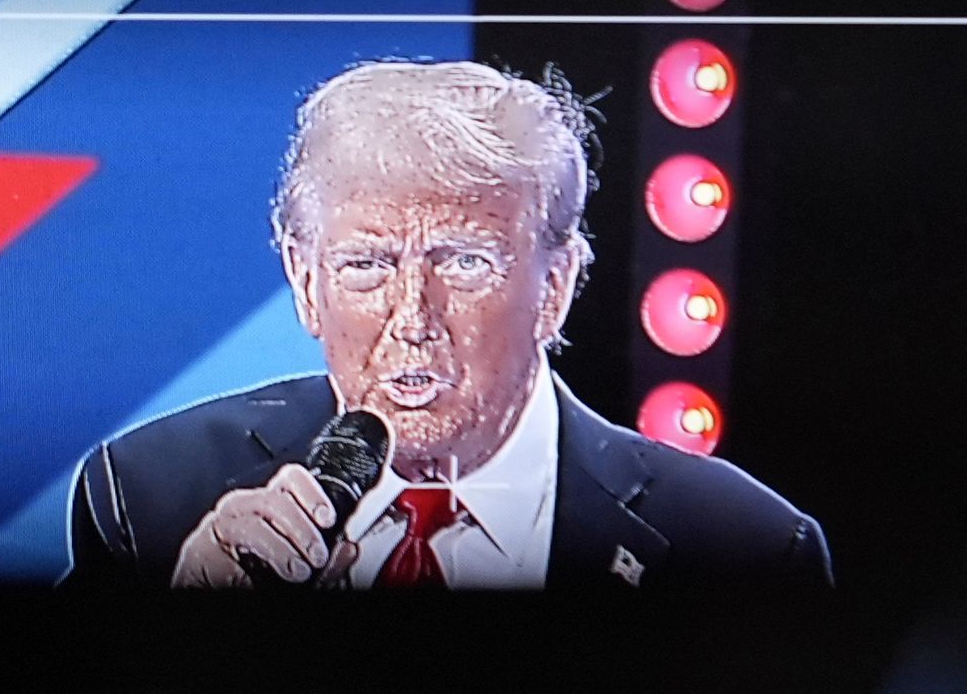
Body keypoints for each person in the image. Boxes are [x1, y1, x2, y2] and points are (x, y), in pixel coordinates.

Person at [64, 59, 829, 591]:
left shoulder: (743, 549)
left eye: (463, 263)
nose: (412, 322)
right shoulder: (148, 498)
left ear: (555, 286)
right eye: (367, 266)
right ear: (304, 283)